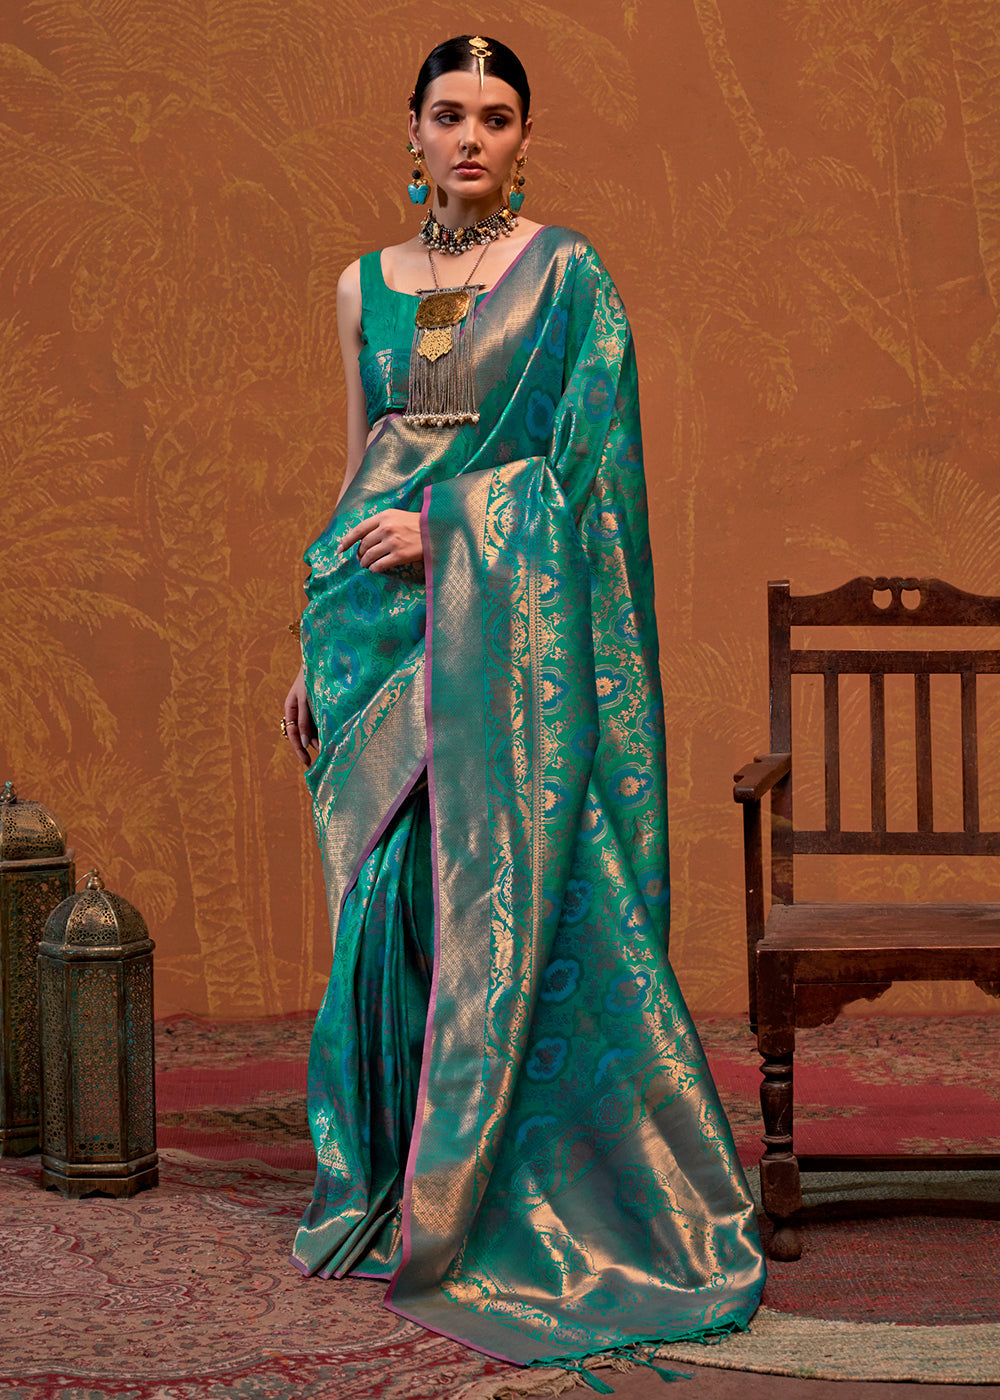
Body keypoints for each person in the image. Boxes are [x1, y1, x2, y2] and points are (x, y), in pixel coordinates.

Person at [282, 34, 765, 1381]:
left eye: (496, 117)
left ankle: (503, 1184)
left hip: (499, 637)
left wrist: (451, 533)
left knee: (497, 903)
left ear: (524, 141)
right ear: (413, 132)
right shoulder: (364, 286)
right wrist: (306, 643)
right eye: (449, 114)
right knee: (388, 914)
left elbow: (586, 482)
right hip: (371, 632)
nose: (471, 137)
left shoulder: (566, 278)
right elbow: (361, 463)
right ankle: (398, 1172)